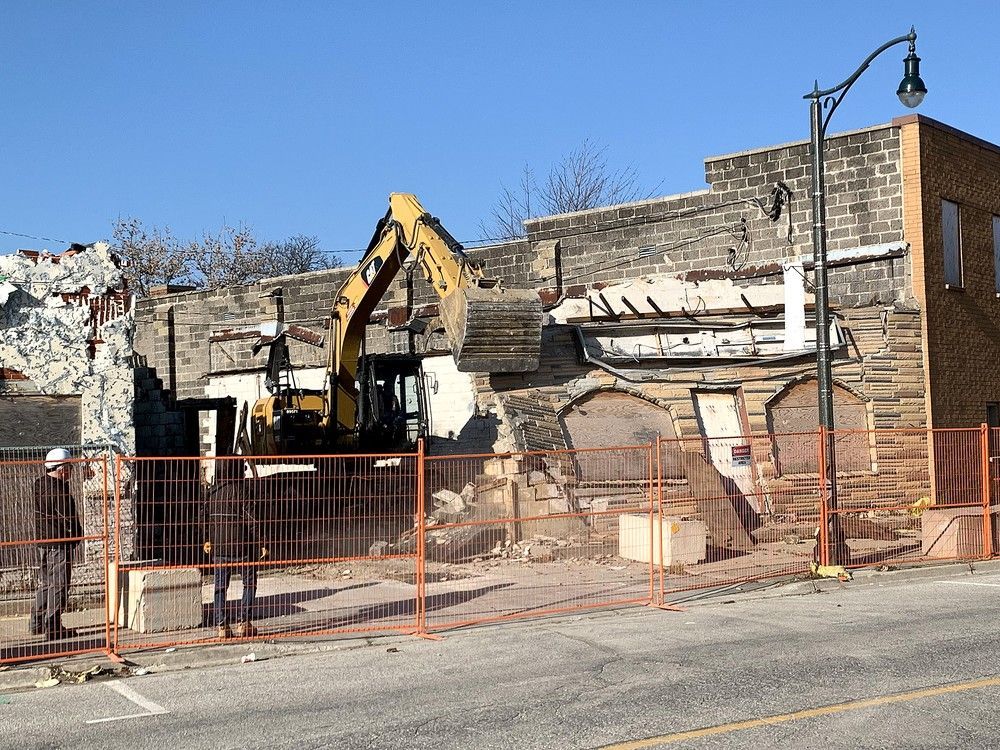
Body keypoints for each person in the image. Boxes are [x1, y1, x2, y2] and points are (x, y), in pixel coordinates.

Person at [202, 459, 267, 639]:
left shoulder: (212, 493)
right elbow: (252, 520)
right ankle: (243, 622)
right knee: (249, 583)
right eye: (242, 469)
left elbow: (204, 518)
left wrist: (207, 539)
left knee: (220, 586)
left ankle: (222, 626)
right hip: (242, 548)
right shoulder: (242, 492)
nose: (244, 473)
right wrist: (262, 542)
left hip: (219, 548)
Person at [29, 448, 81, 640]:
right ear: (62, 469)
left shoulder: (40, 484)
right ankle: (53, 627)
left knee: (46, 583)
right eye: (70, 467)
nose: (71, 471)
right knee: (59, 584)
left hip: (44, 542)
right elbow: (68, 519)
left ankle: (37, 623)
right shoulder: (59, 491)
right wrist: (76, 536)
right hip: (60, 543)